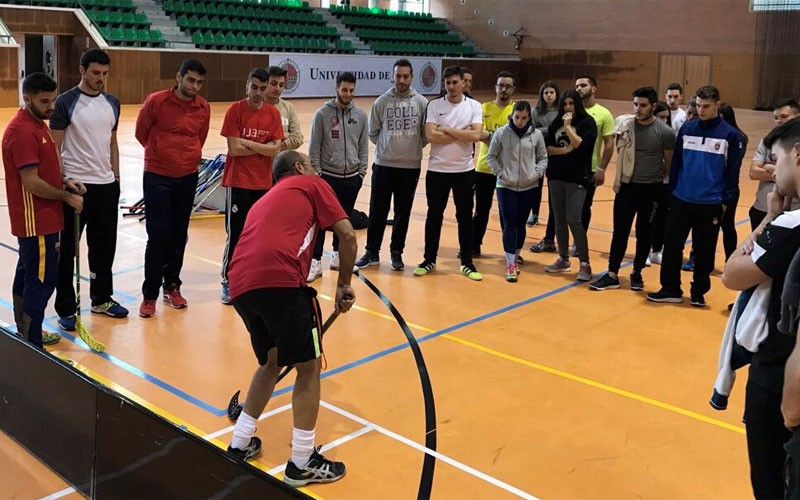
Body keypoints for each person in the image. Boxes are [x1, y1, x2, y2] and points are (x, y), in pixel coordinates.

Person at [225, 150, 356, 487]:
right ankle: (301, 461)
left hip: (240, 284)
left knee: (271, 361)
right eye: (310, 164)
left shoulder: (266, 199)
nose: (314, 169)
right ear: (299, 168)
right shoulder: (311, 183)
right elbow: (348, 234)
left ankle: (239, 443)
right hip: (280, 282)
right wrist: (343, 284)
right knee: (309, 368)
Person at [722, 118, 800, 500]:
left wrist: (769, 217)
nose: (772, 172)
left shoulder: (790, 226)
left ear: (798, 155)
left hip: (777, 375)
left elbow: (733, 273)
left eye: (777, 160)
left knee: (771, 484)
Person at [2, 72, 85, 348]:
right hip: (36, 222)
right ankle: (32, 343)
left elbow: (45, 169)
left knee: (28, 276)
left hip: (46, 219)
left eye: (53, 99)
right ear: (27, 99)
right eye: (44, 101)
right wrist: (66, 197)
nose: (52, 107)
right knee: (41, 282)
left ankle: (26, 333)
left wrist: (64, 181)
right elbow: (31, 182)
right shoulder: (23, 131)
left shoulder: (38, 123)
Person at [50, 48, 128, 330]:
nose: (100, 79)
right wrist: (63, 182)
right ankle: (66, 308)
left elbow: (113, 143)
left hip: (106, 187)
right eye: (96, 73)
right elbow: (54, 147)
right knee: (67, 252)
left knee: (103, 249)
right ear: (82, 70)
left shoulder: (113, 103)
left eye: (105, 74)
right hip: (76, 188)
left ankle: (101, 298)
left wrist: (116, 179)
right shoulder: (65, 102)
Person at [646, 85, 743, 307]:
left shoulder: (730, 135)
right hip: (681, 199)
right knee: (672, 246)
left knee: (704, 250)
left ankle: (698, 292)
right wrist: (673, 191)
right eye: (698, 105)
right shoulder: (687, 129)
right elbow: (677, 162)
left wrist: (726, 201)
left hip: (710, 204)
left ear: (717, 105)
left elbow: (732, 172)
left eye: (706, 106)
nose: (701, 110)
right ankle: (670, 288)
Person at [135, 59, 210, 317]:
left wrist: (186, 158)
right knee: (157, 236)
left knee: (179, 236)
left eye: (199, 82)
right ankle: (150, 294)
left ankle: (173, 286)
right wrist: (160, 153)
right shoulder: (156, 101)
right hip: (157, 175)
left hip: (187, 176)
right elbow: (141, 133)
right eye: (190, 80)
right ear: (179, 77)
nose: (194, 86)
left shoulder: (203, 107)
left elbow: (200, 137)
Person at [589, 87, 675, 291]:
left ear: (653, 106)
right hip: (627, 187)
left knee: (645, 233)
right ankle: (612, 274)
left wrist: (652, 178)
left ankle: (637, 272)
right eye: (635, 104)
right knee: (619, 231)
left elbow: (668, 164)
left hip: (651, 190)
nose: (638, 109)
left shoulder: (665, 132)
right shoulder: (625, 125)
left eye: (643, 105)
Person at [354, 59, 427, 272]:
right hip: (384, 165)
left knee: (402, 212)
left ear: (411, 77)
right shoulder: (382, 102)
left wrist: (410, 148)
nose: (401, 80)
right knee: (378, 210)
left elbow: (425, 134)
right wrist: (389, 148)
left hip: (410, 167)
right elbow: (373, 132)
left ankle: (396, 252)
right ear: (392, 77)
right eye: (398, 76)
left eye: (405, 76)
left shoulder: (421, 103)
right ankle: (372, 252)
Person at [219, 68, 284, 304]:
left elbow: (275, 150)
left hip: (262, 184)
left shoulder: (273, 115)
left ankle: (255, 279)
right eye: (254, 87)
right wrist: (261, 146)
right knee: (235, 235)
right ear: (247, 85)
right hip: (238, 182)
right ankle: (228, 280)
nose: (258, 92)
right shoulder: (235, 111)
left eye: (262, 88)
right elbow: (234, 149)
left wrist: (247, 142)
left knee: (260, 235)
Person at [414, 65, 483, 281]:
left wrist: (446, 129)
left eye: (455, 82)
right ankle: (429, 260)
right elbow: (432, 136)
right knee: (434, 216)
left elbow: (477, 135)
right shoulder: (434, 105)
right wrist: (463, 133)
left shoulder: (474, 106)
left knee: (464, 217)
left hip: (464, 171)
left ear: (463, 83)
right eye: (448, 83)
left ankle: (467, 262)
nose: (451, 87)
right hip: (438, 171)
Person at [307, 72, 368, 282]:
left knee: (343, 220)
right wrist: (318, 175)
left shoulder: (360, 116)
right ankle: (315, 261)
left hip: (352, 177)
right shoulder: (322, 115)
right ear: (336, 88)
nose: (348, 94)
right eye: (344, 90)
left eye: (351, 90)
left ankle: (337, 256)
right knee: (321, 221)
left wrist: (361, 173)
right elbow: (314, 148)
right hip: (327, 177)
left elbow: (363, 147)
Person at [487, 100, 547, 282]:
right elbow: (491, 156)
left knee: (521, 224)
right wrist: (501, 174)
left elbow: (543, 157)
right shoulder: (501, 133)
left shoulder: (536, 135)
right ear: (512, 116)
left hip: (529, 187)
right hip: (506, 186)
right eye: (517, 117)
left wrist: (536, 174)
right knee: (509, 224)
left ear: (529, 118)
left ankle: (516, 253)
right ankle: (510, 263)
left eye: (524, 118)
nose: (520, 121)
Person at [542, 89, 597, 281]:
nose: (567, 108)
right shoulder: (556, 122)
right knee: (559, 218)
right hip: (556, 176)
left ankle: (585, 263)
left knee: (574, 219)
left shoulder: (587, 123)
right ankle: (563, 258)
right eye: (564, 104)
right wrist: (565, 150)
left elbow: (581, 146)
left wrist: (568, 128)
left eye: (571, 104)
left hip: (577, 178)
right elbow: (548, 147)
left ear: (577, 105)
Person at [472, 71, 516, 257]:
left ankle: (511, 250)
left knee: (507, 213)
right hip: (483, 168)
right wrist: (499, 139)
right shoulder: (484, 108)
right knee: (481, 211)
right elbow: (478, 134)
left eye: (507, 86)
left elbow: (515, 139)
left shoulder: (516, 110)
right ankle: (473, 245)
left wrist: (491, 138)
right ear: (495, 87)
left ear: (513, 89)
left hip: (507, 170)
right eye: (500, 85)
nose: (503, 89)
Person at [574, 76, 614, 251]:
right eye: (576, 86)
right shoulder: (571, 110)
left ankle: (578, 242)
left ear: (594, 89)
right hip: (568, 167)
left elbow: (609, 143)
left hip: (588, 168)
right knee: (560, 208)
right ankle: (551, 239)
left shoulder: (603, 114)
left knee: (583, 207)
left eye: (583, 85)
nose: (579, 89)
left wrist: (601, 168)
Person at [748, 99, 800, 232]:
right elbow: (754, 173)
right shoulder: (767, 141)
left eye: (784, 117)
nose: (778, 121)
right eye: (775, 118)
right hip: (762, 208)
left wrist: (767, 166)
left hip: (792, 210)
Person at [717, 103, 748, 261]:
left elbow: (733, 164)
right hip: (713, 187)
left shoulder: (738, 137)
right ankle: (698, 257)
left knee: (727, 224)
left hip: (729, 189)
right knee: (707, 227)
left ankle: (730, 259)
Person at [528, 80, 559, 228]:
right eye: (546, 93)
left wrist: (543, 130)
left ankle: (554, 216)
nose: (549, 95)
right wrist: (549, 129)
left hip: (556, 153)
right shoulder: (535, 112)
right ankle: (534, 213)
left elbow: (559, 130)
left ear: (556, 94)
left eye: (551, 92)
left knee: (553, 186)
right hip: (537, 153)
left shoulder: (561, 111)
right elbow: (533, 131)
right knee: (536, 185)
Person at [264, 65, 304, 152]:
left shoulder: (289, 107)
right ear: (265, 83)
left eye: (281, 85)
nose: (278, 88)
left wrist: (273, 147)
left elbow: (298, 138)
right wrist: (284, 135)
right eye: (273, 84)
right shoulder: (256, 106)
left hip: (281, 163)